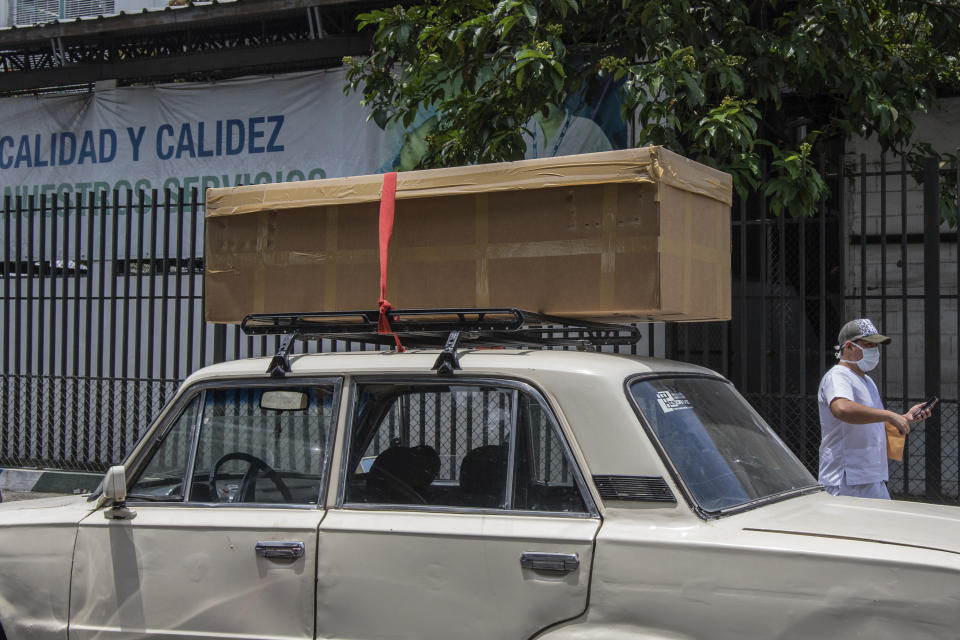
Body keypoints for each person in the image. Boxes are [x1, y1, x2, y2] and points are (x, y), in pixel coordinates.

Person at [817, 318, 932, 499]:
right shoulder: (837, 376)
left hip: (871, 477)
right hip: (847, 479)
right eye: (868, 345)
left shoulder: (866, 380)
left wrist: (904, 417)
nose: (874, 350)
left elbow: (871, 421)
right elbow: (842, 409)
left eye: (875, 346)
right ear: (849, 347)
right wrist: (889, 415)